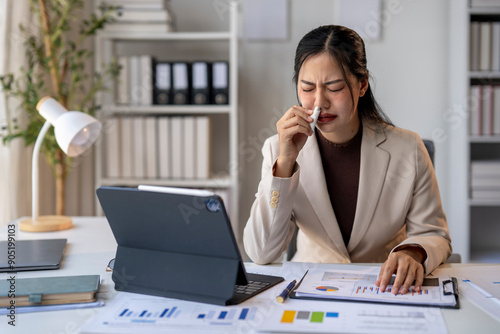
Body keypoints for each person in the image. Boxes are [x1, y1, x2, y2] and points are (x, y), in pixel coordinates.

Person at [243, 25, 452, 295]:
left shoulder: (408, 148)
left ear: (362, 84)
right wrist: (284, 166)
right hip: (309, 289)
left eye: (334, 88)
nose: (319, 103)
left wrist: (413, 253)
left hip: (384, 287)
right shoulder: (278, 149)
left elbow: (434, 234)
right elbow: (261, 252)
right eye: (307, 88)